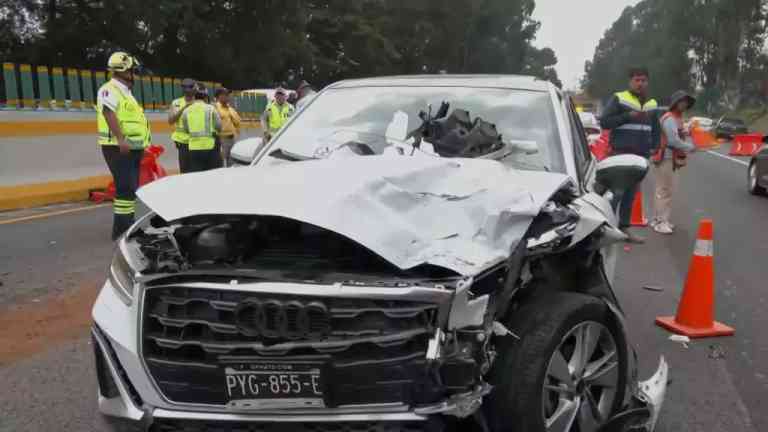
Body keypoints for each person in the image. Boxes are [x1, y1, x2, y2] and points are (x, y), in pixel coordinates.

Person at [599, 67, 661, 244]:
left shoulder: (652, 104)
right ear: (630, 81)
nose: (640, 83)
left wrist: (655, 146)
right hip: (620, 153)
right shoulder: (620, 98)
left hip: (641, 156)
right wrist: (627, 116)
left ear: (647, 82)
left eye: (643, 80)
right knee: (616, 193)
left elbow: (655, 127)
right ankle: (604, 230)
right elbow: (605, 122)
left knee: (630, 194)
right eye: (637, 80)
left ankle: (624, 229)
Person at [96, 51, 151, 240]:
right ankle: (122, 231)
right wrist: (120, 139)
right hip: (117, 147)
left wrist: (143, 145)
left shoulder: (127, 92)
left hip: (132, 147)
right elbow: (108, 113)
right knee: (125, 188)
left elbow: (136, 121)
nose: (135, 73)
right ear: (124, 70)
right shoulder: (109, 89)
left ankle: (126, 225)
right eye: (132, 70)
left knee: (130, 188)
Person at [650, 90, 696, 234]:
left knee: (665, 190)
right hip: (666, 157)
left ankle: (661, 219)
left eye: (686, 102)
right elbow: (672, 140)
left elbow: (678, 134)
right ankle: (660, 222)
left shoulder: (676, 118)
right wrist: (691, 147)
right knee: (664, 191)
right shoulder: (670, 118)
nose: (684, 104)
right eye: (682, 101)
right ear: (675, 103)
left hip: (670, 158)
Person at [181, 84, 222, 173]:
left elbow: (186, 129)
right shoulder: (211, 108)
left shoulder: (186, 110)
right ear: (206, 97)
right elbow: (219, 126)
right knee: (212, 174)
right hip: (210, 147)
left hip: (193, 148)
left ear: (194, 97)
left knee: (197, 175)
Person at [168, 78, 197, 173]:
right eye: (185, 87)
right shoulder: (176, 103)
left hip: (198, 141)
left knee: (196, 170)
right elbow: (171, 121)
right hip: (182, 143)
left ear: (194, 88)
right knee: (184, 170)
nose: (187, 90)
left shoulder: (199, 103)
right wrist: (184, 108)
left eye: (190, 87)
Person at [214, 87, 241, 167]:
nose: (227, 97)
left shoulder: (229, 108)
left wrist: (229, 110)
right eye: (225, 95)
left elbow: (238, 121)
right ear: (219, 96)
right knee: (220, 163)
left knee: (231, 163)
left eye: (227, 95)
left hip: (231, 138)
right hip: (221, 139)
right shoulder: (215, 107)